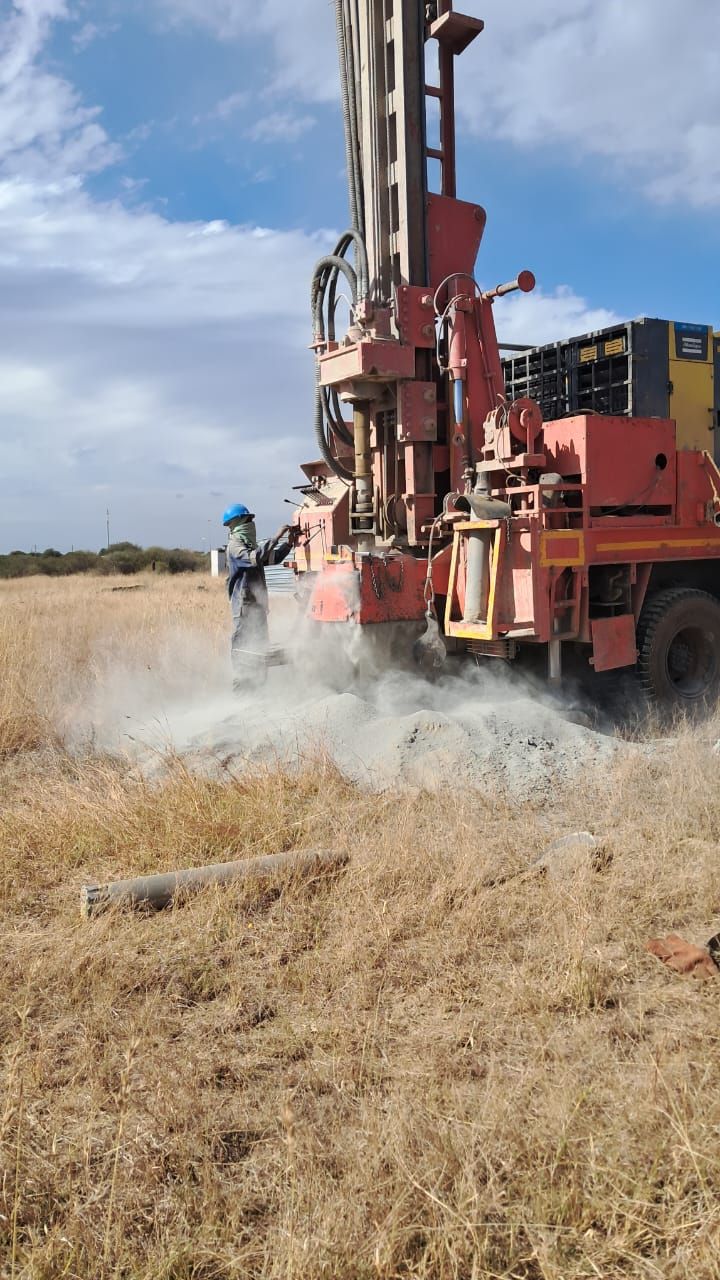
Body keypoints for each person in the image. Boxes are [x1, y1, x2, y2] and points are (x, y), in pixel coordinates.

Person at [222, 504, 294, 691]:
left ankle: (258, 691)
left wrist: (289, 543)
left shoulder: (249, 546)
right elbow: (255, 557)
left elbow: (271, 558)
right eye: (248, 520)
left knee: (260, 649)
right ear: (236, 523)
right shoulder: (235, 546)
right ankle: (241, 693)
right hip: (244, 608)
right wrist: (277, 537)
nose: (251, 524)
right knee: (244, 649)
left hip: (257, 606)